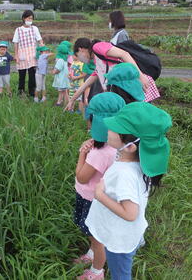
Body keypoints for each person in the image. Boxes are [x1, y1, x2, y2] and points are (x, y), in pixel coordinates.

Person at [85, 102, 172, 280]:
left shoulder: (125, 173)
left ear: (131, 146)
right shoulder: (136, 161)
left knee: (121, 275)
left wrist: (100, 195)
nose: (108, 126)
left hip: (120, 240)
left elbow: (130, 213)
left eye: (115, 127)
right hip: (122, 232)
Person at [74, 93, 125, 280]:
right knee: (94, 234)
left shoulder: (98, 154)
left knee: (97, 238)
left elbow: (81, 178)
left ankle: (96, 272)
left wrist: (82, 153)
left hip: (90, 200)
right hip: (103, 199)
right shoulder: (119, 148)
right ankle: (92, 253)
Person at [65, 38, 160, 111]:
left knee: (142, 115)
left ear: (81, 49)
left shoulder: (97, 47)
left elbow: (124, 54)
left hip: (136, 83)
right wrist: (72, 100)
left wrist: (141, 76)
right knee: (135, 117)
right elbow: (86, 84)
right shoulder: (97, 62)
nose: (81, 60)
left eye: (78, 55)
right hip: (127, 90)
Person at [13, 10, 44, 97]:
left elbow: (39, 40)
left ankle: (32, 92)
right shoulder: (18, 30)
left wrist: (42, 45)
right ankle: (21, 91)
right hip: (22, 54)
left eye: (31, 18)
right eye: (28, 18)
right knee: (21, 75)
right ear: (23, 18)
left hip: (32, 55)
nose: (30, 20)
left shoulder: (34, 28)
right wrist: (16, 55)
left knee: (32, 75)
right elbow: (16, 43)